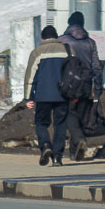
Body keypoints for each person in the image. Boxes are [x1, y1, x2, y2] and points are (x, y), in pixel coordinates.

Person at [58, 11, 104, 161]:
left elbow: (57, 63)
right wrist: (97, 87)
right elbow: (96, 66)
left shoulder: (61, 40)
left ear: (69, 24)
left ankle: (79, 141)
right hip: (86, 84)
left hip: (68, 84)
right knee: (82, 116)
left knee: (69, 113)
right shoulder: (90, 42)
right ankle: (75, 153)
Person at [24, 25, 70, 166]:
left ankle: (45, 145)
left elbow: (30, 76)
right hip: (64, 94)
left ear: (43, 38)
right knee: (60, 125)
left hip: (43, 95)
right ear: (56, 37)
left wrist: (28, 97)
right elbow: (75, 72)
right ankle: (57, 157)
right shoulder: (68, 50)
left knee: (41, 123)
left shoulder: (37, 51)